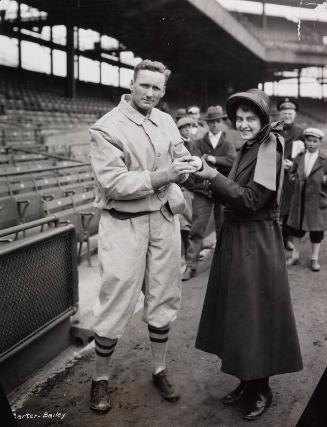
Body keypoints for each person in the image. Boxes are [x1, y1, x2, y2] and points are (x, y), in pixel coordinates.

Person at [89, 59, 198, 413]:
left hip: (163, 219)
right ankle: (99, 379)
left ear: (164, 91)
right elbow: (115, 184)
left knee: (164, 295)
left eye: (157, 88)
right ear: (132, 84)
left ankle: (159, 368)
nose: (150, 93)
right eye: (145, 85)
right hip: (125, 222)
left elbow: (180, 155)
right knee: (116, 297)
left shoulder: (166, 120)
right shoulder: (106, 127)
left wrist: (188, 166)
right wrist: (166, 174)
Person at [195, 89, 303, 421]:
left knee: (254, 315)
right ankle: (246, 380)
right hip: (239, 238)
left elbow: (253, 199)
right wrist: (198, 172)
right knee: (240, 314)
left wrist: (210, 174)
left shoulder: (270, 146)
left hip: (257, 240)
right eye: (239, 119)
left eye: (250, 119)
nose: (243, 124)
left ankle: (262, 389)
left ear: (262, 120)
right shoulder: (249, 146)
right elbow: (230, 184)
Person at [182, 105, 236, 281]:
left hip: (222, 189)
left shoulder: (227, 142)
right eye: (211, 121)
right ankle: (191, 265)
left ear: (222, 122)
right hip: (203, 190)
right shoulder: (199, 142)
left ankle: (223, 264)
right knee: (197, 228)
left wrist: (212, 159)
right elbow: (196, 163)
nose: (214, 124)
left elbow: (232, 161)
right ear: (207, 123)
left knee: (224, 227)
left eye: (217, 121)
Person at [286, 127, 327, 272]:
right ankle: (295, 256)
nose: (311, 144)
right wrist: (293, 178)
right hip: (300, 200)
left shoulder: (324, 160)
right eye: (309, 140)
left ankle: (314, 259)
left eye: (314, 141)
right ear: (305, 141)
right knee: (297, 229)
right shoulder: (299, 158)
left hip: (316, 202)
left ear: (319, 142)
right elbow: (291, 173)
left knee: (316, 231)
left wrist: (324, 180)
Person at [277, 98, 305, 251]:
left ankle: (286, 238)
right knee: (274, 206)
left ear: (294, 115)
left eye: (290, 113)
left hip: (291, 176)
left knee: (289, 208)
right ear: (280, 114)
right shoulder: (273, 129)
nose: (287, 115)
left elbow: (305, 154)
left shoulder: (300, 132)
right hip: (274, 173)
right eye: (284, 113)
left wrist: (294, 165)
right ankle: (273, 239)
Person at [176, 116, 196, 262]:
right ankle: (187, 258)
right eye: (184, 127)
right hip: (182, 189)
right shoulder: (178, 145)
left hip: (193, 188)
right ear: (179, 130)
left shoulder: (194, 144)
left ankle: (190, 255)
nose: (187, 129)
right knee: (184, 224)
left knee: (191, 223)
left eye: (189, 127)